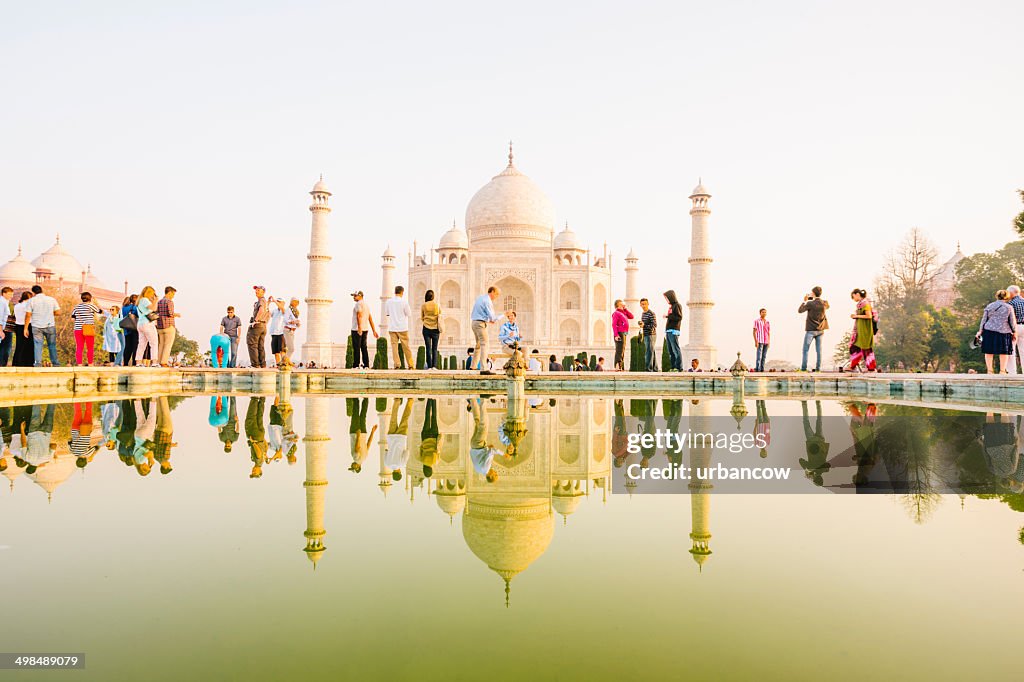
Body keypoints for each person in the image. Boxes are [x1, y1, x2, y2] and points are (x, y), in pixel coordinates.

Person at [977, 289, 1016, 374]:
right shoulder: (1009, 307)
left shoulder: (990, 306)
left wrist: (980, 331)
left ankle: (990, 370)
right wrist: (1014, 332)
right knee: (1003, 352)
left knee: (988, 351)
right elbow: (1012, 321)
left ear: (997, 296)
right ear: (1007, 297)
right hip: (1004, 332)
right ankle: (1002, 371)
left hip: (989, 331)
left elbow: (984, 319)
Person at [838, 289, 878, 373]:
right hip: (861, 330)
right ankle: (868, 368)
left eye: (853, 297)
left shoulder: (865, 304)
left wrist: (856, 316)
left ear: (857, 294)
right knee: (862, 349)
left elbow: (869, 316)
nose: (853, 299)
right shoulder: (861, 304)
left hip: (865, 331)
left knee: (860, 348)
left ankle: (855, 367)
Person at [23, 284, 60, 367]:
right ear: (42, 290)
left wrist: (25, 328)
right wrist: (49, 313)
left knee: (38, 345)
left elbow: (28, 315)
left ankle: (38, 363)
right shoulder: (51, 299)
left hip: (36, 326)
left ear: (33, 293)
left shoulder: (31, 301)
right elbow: (58, 312)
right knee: (52, 345)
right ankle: (55, 363)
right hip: (50, 325)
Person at [470, 286, 500, 375]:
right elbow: (493, 318)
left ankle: (473, 366)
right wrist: (503, 315)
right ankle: (484, 368)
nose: (497, 296)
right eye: (497, 294)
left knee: (478, 345)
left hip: (475, 322)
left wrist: (488, 320)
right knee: (485, 344)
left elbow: (483, 313)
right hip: (480, 324)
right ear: (492, 292)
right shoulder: (487, 301)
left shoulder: (481, 298)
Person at [798, 286, 829, 371]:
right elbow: (827, 307)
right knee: (819, 350)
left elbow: (800, 310)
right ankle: (818, 368)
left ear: (813, 293)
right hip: (821, 330)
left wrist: (805, 300)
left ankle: (804, 369)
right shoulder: (825, 303)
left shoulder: (810, 303)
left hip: (811, 330)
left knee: (805, 350)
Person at [384, 285, 413, 369]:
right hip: (402, 328)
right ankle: (410, 365)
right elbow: (409, 314)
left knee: (394, 348)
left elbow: (387, 313)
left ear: (395, 292)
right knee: (406, 347)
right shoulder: (404, 302)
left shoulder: (389, 302)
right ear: (402, 292)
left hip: (392, 328)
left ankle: (397, 365)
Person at [383, 397, 412, 481]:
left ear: (399, 472)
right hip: (391, 437)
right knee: (393, 418)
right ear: (392, 473)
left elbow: (407, 452)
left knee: (405, 418)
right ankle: (397, 401)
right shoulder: (387, 464)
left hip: (401, 437)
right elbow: (386, 451)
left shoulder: (402, 464)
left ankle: (410, 401)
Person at [70, 291, 101, 367]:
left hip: (78, 329)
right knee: (90, 347)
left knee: (79, 347)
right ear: (90, 298)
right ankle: (90, 363)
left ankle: (79, 364)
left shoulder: (76, 307)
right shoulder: (91, 306)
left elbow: (72, 318)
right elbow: (99, 311)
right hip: (88, 328)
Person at [350, 291, 378, 369]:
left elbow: (359, 316)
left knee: (356, 347)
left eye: (355, 296)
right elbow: (370, 318)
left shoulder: (358, 304)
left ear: (360, 296)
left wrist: (359, 328)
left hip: (357, 329)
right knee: (364, 348)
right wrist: (374, 330)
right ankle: (366, 365)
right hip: (365, 329)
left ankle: (356, 365)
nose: (354, 297)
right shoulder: (366, 305)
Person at [347, 397, 376, 473]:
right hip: (355, 433)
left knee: (363, 415)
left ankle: (366, 399)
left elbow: (368, 444)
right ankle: (355, 398)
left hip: (364, 433)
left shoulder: (365, 457)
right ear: (358, 467)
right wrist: (358, 435)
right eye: (353, 467)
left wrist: (372, 432)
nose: (351, 466)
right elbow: (357, 447)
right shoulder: (355, 459)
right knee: (355, 414)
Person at [246, 285, 270, 368]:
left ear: (263, 292)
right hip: (263, 326)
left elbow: (261, 310)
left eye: (258, 290)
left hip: (258, 325)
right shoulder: (265, 302)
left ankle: (255, 364)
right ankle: (262, 364)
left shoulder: (261, 300)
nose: (256, 292)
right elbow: (268, 313)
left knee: (252, 344)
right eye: (256, 290)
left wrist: (255, 320)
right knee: (260, 346)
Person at [156, 286, 180, 367]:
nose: (173, 296)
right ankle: (164, 362)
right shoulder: (169, 302)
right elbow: (170, 313)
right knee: (168, 345)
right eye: (173, 294)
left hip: (160, 326)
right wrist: (177, 315)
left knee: (161, 345)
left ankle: (158, 361)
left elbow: (156, 313)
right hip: (169, 325)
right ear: (169, 292)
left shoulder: (159, 302)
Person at [134, 286, 159, 367]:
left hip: (140, 324)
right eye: (152, 293)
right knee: (154, 343)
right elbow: (153, 308)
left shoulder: (139, 301)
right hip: (148, 324)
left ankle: (138, 362)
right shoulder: (145, 300)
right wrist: (155, 300)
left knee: (141, 344)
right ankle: (154, 362)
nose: (153, 295)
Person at [662, 290, 683, 371]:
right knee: (671, 351)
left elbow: (679, 317)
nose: (667, 300)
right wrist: (668, 316)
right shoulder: (671, 306)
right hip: (669, 330)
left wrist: (668, 316)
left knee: (675, 350)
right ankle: (673, 367)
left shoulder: (677, 305)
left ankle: (679, 367)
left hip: (674, 330)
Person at [12, 291, 34, 367]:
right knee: (29, 345)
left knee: (19, 345)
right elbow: (27, 316)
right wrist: (26, 328)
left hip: (18, 326)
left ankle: (17, 362)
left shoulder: (17, 305)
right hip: (27, 326)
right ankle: (28, 363)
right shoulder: (28, 305)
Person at [421, 289, 441, 369]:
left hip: (426, 328)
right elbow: (440, 315)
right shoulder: (437, 305)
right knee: (435, 349)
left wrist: (427, 321)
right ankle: (434, 366)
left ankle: (429, 366)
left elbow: (422, 317)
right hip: (435, 329)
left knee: (428, 348)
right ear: (433, 297)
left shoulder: (424, 305)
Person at [611, 299, 633, 370]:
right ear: (617, 306)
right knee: (619, 350)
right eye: (621, 304)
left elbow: (631, 316)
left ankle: (620, 366)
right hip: (619, 333)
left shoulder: (623, 313)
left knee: (622, 350)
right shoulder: (616, 313)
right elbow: (614, 324)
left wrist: (625, 309)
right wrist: (616, 335)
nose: (623, 305)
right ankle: (617, 366)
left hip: (624, 333)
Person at [1007, 285, 1024, 374]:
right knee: (1023, 350)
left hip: (1014, 327)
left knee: (1011, 350)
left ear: (1012, 292)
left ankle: (1012, 372)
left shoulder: (1010, 304)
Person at [268, 297, 288, 367]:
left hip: (281, 333)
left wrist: (274, 301)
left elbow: (282, 308)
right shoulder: (275, 311)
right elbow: (268, 313)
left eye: (279, 302)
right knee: (276, 352)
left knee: (282, 351)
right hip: (273, 333)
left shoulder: (284, 311)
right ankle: (278, 365)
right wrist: (268, 303)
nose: (278, 303)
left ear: (283, 303)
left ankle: (284, 365)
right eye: (278, 302)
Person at [120, 295, 139, 366]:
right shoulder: (135, 307)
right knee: (135, 347)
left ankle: (125, 362)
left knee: (127, 347)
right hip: (134, 329)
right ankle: (134, 362)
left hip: (126, 329)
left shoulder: (124, 308)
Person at [639, 297, 657, 371]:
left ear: (648, 304)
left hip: (651, 335)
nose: (644, 306)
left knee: (648, 352)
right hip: (646, 334)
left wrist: (644, 325)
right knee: (651, 351)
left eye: (645, 304)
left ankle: (648, 369)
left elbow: (654, 325)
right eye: (642, 304)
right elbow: (644, 324)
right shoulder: (643, 314)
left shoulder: (651, 313)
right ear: (640, 305)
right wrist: (641, 324)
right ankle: (655, 369)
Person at [284, 297, 301, 364]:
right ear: (291, 302)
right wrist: (293, 322)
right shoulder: (288, 310)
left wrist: (298, 324)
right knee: (291, 348)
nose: (296, 303)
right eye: (295, 301)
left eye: (297, 302)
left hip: (292, 331)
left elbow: (297, 321)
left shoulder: (296, 311)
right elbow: (285, 320)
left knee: (289, 348)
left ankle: (286, 360)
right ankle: (285, 361)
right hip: (288, 330)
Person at [0, 286, 14, 366]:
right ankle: (2, 364)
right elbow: (0, 316)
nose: (11, 296)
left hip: (6, 327)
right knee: (5, 348)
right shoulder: (2, 302)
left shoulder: (5, 302)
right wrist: (1, 331)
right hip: (4, 328)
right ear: (4, 293)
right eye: (9, 294)